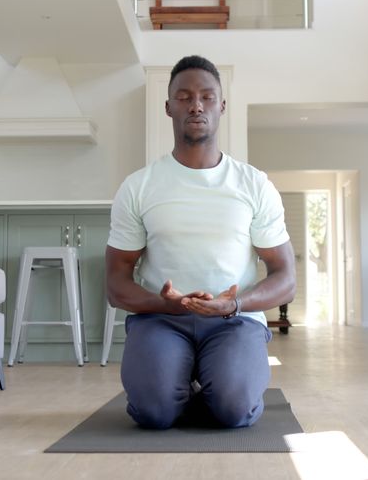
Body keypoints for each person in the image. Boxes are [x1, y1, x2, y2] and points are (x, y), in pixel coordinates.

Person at [105, 55, 296, 429]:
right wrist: (167, 305)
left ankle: (214, 386)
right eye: (184, 96)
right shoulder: (138, 186)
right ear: (168, 106)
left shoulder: (254, 184)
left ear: (221, 106)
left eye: (207, 96)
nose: (196, 104)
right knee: (152, 414)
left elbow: (285, 276)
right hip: (161, 320)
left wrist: (233, 304)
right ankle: (178, 386)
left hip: (234, 321)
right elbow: (116, 283)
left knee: (235, 410)